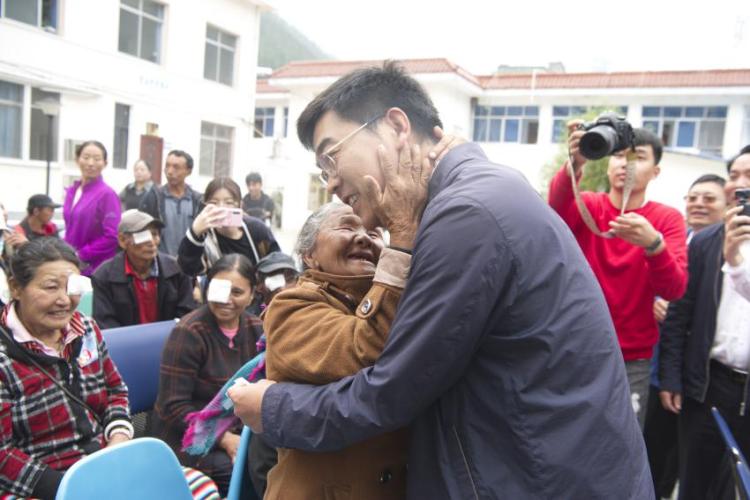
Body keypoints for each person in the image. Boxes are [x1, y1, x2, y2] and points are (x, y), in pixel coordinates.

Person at [228, 62, 652, 498]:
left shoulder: (464, 215)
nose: (332, 181)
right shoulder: (477, 193)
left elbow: (393, 391)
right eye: (323, 170)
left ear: (396, 126)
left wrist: (273, 408)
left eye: (331, 157)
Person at [258, 199, 418, 499]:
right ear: (309, 255)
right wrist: (401, 248)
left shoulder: (397, 299)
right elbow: (367, 350)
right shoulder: (291, 306)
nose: (363, 238)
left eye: (374, 233)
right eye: (346, 227)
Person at [549, 123, 688, 427]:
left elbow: (675, 288)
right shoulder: (588, 204)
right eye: (618, 155)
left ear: (656, 171)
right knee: (566, 433)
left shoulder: (667, 219)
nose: (626, 163)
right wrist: (575, 162)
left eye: (638, 156)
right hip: (575, 347)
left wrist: (654, 245)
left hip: (632, 358)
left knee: (623, 438)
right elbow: (553, 213)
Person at [0, 238, 132, 498]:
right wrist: (69, 488)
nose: (64, 300)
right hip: (39, 484)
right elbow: (2, 455)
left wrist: (118, 441)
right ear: (16, 288)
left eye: (71, 287)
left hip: (101, 464)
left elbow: (115, 390)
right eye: (50, 287)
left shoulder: (86, 329)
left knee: (195, 486)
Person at [659, 145, 750, 500]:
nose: (739, 184)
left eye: (749, 176)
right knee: (695, 483)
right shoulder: (706, 242)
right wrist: (671, 376)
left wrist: (736, 261)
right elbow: (680, 312)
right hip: (710, 385)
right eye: (734, 175)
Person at [150, 254, 263, 497]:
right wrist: (223, 438)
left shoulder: (256, 329)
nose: (227, 300)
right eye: (220, 289)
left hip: (240, 433)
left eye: (237, 292)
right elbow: (173, 407)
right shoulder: (189, 332)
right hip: (188, 438)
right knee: (242, 472)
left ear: (252, 295)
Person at [644, 173, 727, 498]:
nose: (698, 204)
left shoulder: (731, 255)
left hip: (701, 380)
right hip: (660, 370)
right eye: (692, 198)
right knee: (654, 451)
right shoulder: (674, 241)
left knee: (686, 464)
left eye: (709, 199)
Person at [91, 209, 196, 329]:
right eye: (142, 236)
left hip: (170, 337)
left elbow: (186, 314)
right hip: (124, 339)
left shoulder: (176, 270)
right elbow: (105, 321)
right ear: (123, 241)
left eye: (154, 234)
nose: (151, 242)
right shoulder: (103, 276)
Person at [178, 177, 279, 276]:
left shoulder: (257, 229)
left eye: (229, 202)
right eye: (214, 203)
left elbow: (276, 261)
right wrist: (195, 231)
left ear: (239, 205)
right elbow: (189, 268)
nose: (221, 207)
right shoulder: (205, 236)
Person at [63, 141, 121, 276]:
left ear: (105, 163)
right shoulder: (73, 191)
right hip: (71, 264)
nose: (90, 163)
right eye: (86, 157)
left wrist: (82, 254)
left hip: (94, 268)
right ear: (77, 160)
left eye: (97, 159)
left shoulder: (107, 194)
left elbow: (112, 236)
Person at [139, 150, 202, 256]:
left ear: (188, 171)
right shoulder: (154, 197)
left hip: (190, 261)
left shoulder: (197, 200)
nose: (170, 171)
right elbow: (141, 229)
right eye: (167, 166)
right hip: (160, 260)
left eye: (176, 167)